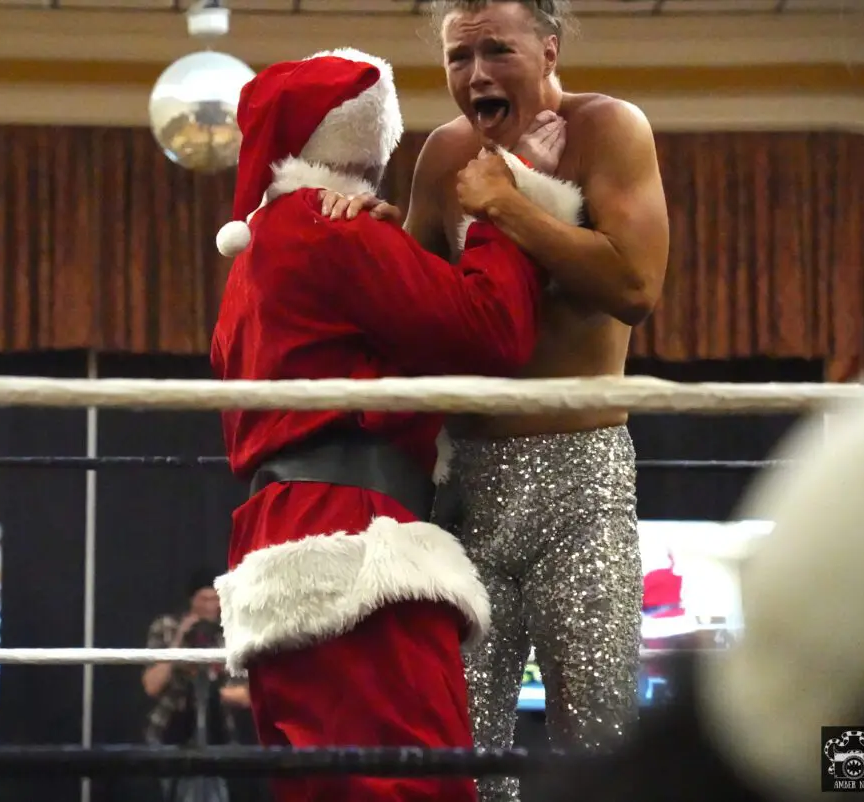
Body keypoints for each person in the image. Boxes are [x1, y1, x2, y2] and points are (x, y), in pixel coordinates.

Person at [210, 47, 585, 802]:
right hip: (355, 542)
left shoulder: (264, 250)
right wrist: (509, 201)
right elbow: (491, 330)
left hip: (282, 534)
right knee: (408, 784)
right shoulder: (328, 230)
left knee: (332, 787)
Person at [320, 1, 671, 799]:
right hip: (466, 481)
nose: (476, 74)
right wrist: (371, 232)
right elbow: (418, 309)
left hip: (580, 475)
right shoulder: (445, 152)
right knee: (464, 747)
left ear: (548, 50)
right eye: (459, 57)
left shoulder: (609, 128)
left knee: (598, 736)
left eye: (497, 51)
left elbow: (634, 286)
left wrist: (510, 201)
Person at [143, 571, 251, 802]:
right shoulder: (167, 627)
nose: (210, 606)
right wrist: (180, 639)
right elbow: (152, 685)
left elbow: (247, 695)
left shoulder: (230, 635)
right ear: (192, 600)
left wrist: (209, 686)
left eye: (215, 599)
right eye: (204, 599)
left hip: (217, 733)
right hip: (171, 731)